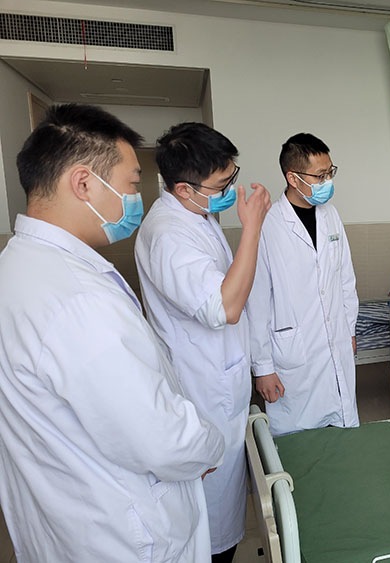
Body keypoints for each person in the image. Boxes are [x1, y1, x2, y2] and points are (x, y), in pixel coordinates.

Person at [0, 104, 225, 562]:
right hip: (123, 535)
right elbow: (158, 435)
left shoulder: (19, 266)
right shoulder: (77, 298)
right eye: (131, 183)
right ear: (83, 183)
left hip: (68, 522)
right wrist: (209, 447)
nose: (135, 197)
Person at [135, 122, 270, 562]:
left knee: (223, 503)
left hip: (220, 381)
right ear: (183, 188)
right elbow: (225, 307)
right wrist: (252, 227)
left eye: (232, 177)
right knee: (208, 519)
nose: (229, 190)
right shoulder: (168, 235)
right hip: (202, 391)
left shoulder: (197, 215)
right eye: (221, 184)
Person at [247, 133, 359, 436]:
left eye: (330, 173)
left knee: (343, 432)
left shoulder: (331, 215)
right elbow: (257, 301)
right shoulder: (267, 224)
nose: (327, 182)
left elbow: (345, 278)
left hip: (336, 339)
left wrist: (349, 328)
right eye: (320, 176)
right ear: (293, 178)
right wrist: (263, 368)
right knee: (299, 439)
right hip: (293, 351)